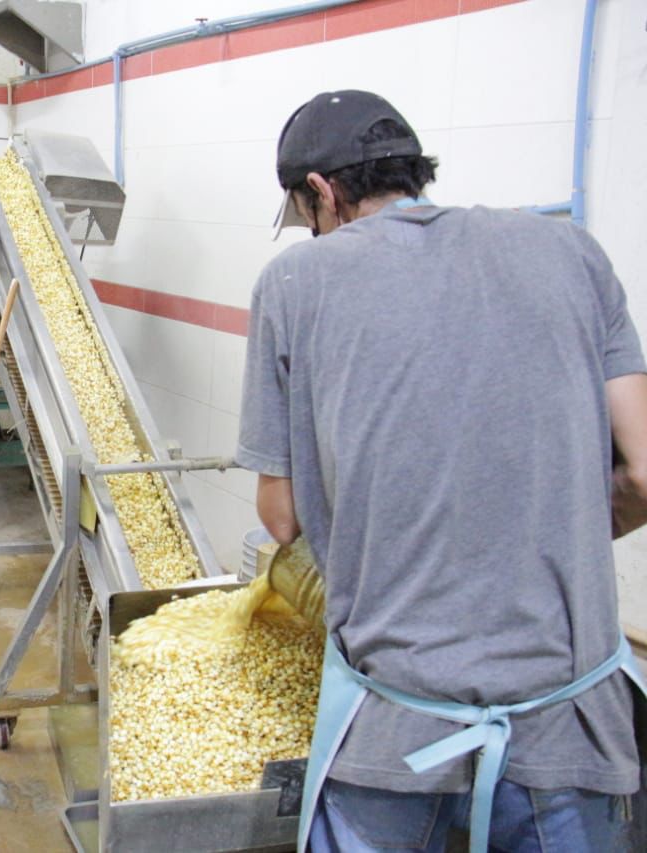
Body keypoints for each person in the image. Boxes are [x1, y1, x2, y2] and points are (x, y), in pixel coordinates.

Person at [237, 90, 646, 852]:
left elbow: (281, 518)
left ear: (322, 192)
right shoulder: (572, 250)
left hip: (398, 724)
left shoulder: (297, 282)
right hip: (570, 719)